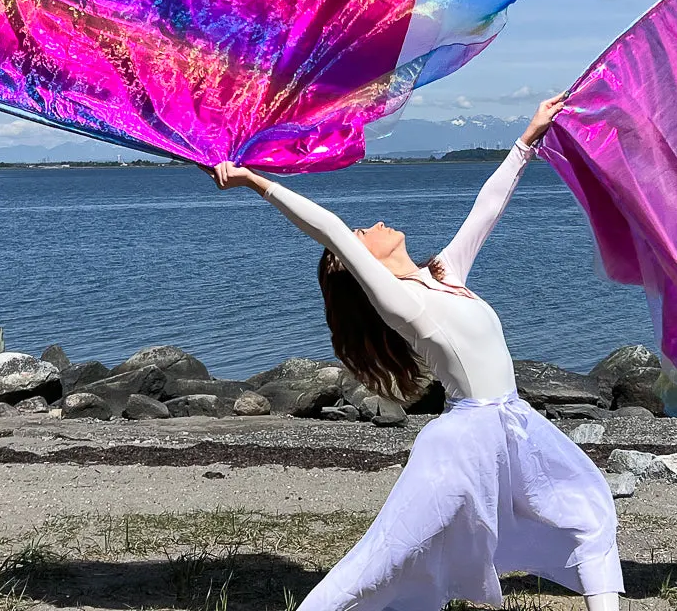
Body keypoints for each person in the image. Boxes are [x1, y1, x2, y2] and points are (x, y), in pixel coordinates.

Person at [211, 94, 623, 611]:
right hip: (462, 441)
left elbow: (486, 210)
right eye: (363, 236)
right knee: (385, 556)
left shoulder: (443, 276)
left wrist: (527, 138)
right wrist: (255, 181)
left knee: (590, 513)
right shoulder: (402, 304)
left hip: (514, 424)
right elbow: (332, 229)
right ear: (359, 263)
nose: (372, 226)